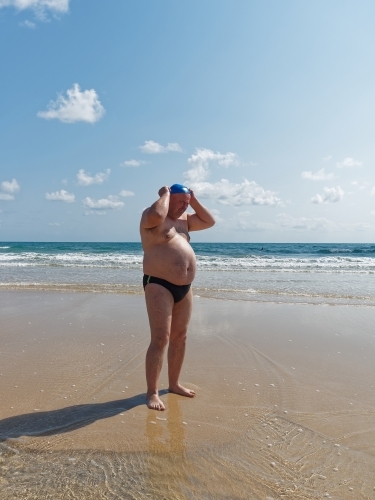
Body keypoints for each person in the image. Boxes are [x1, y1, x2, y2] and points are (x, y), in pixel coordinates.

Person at [140, 184, 215, 410]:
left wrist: (193, 200)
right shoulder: (151, 216)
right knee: (160, 338)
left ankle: (174, 384)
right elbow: (157, 214)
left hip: (185, 287)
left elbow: (209, 221)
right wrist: (165, 194)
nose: (185, 206)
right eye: (181, 201)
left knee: (180, 337)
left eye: (187, 202)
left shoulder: (185, 220)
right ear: (169, 198)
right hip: (159, 283)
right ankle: (152, 392)